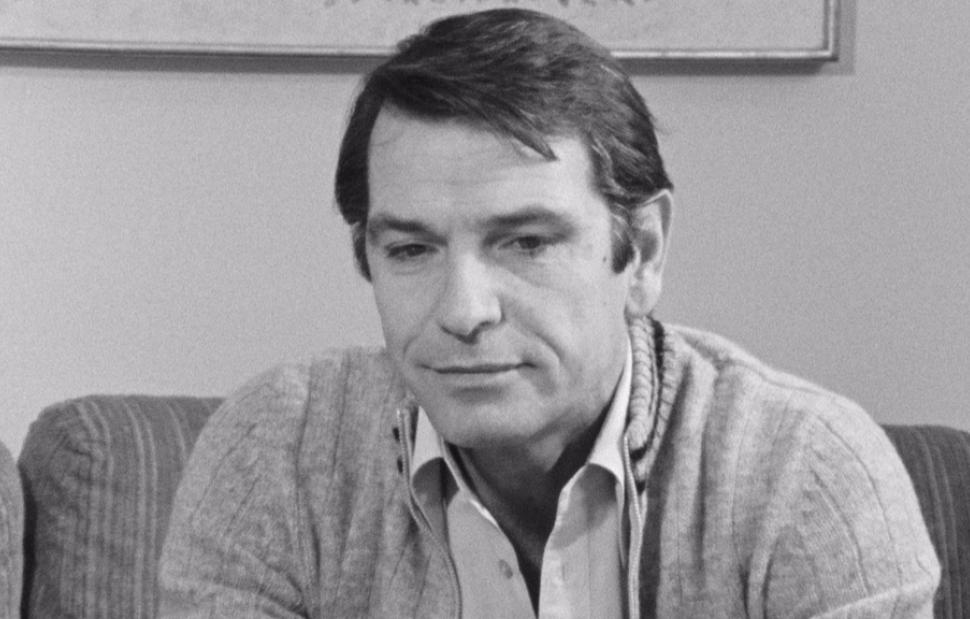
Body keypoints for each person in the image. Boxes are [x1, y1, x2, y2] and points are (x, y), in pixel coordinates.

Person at [159, 8, 940, 618]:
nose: (463, 311)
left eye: (526, 242)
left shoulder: (804, 479)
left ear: (641, 251)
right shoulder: (276, 457)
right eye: (412, 249)